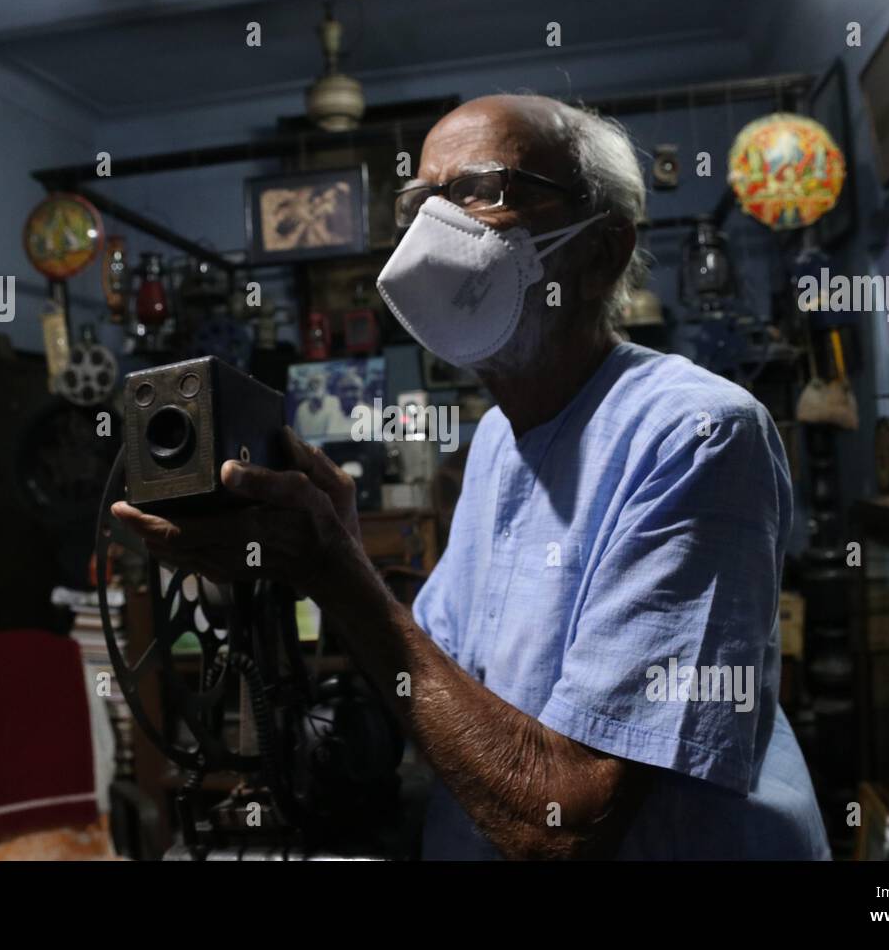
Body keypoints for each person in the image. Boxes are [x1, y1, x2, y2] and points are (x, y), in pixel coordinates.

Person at [115, 94, 829, 859]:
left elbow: (566, 821)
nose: (433, 229)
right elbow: (434, 686)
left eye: (480, 190)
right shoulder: (497, 437)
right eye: (419, 201)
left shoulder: (696, 433)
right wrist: (336, 552)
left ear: (600, 254)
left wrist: (334, 567)